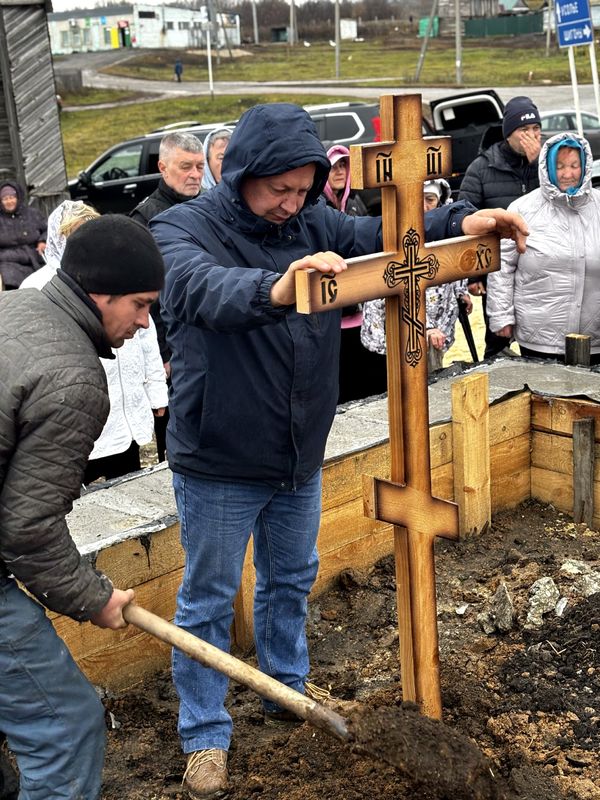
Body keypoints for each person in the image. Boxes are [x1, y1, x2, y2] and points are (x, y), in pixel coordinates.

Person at [150, 101, 528, 799]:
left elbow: (381, 233)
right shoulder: (184, 226)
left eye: (303, 189)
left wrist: (459, 221)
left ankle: (286, 691)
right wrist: (277, 287)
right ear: (242, 173)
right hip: (221, 454)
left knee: (292, 578)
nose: (292, 204)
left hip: (299, 450)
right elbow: (198, 289)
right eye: (279, 189)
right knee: (208, 599)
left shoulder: (313, 221)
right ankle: (204, 734)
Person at [0, 215, 165, 799]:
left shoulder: (15, 308)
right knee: (66, 729)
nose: (144, 324)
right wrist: (93, 598)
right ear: (101, 294)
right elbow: (27, 528)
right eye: (140, 305)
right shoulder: (74, 377)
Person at [20, 200, 169, 481]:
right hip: (76, 421)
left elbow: (146, 336)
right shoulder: (38, 288)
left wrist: (156, 390)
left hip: (124, 415)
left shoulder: (120, 275)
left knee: (126, 486)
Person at [487, 132, 600, 365]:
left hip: (595, 338)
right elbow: (502, 266)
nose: (567, 174)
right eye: (559, 167)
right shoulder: (522, 209)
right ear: (547, 168)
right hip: (539, 338)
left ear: (585, 166)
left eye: (574, 165)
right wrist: (501, 315)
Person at [130, 132, 205, 462]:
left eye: (200, 167)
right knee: (177, 429)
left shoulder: (210, 206)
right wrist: (162, 352)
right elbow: (144, 295)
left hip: (211, 332)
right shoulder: (145, 218)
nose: (194, 175)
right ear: (163, 167)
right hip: (172, 344)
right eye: (185, 166)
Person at [459, 96, 542, 358]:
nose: (531, 136)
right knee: (497, 342)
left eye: (536, 129)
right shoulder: (481, 168)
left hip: (540, 270)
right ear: (508, 133)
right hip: (497, 271)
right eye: (524, 130)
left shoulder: (547, 164)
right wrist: (473, 275)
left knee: (541, 343)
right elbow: (466, 221)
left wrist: (540, 166)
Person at [361, 179, 473, 373]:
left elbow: (452, 264)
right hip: (396, 332)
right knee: (402, 382)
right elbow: (399, 287)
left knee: (431, 380)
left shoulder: (445, 229)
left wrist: (460, 291)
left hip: (435, 330)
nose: (423, 205)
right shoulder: (391, 231)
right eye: (416, 198)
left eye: (430, 199)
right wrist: (425, 327)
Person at [323, 144, 386, 401]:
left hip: (363, 313)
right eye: (333, 167)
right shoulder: (317, 209)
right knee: (342, 389)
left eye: (343, 165)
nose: (339, 171)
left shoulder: (356, 203)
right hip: (332, 314)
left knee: (371, 385)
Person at [0, 180, 46, 289]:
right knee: (10, 280)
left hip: (36, 258)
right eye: (5, 199)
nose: (9, 201)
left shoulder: (32, 214)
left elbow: (47, 229)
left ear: (18, 198)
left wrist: (43, 241)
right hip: (9, 262)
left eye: (12, 197)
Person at [201, 127, 233, 191]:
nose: (227, 163)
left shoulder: (247, 192)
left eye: (232, 157)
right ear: (207, 161)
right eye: (221, 158)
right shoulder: (195, 193)